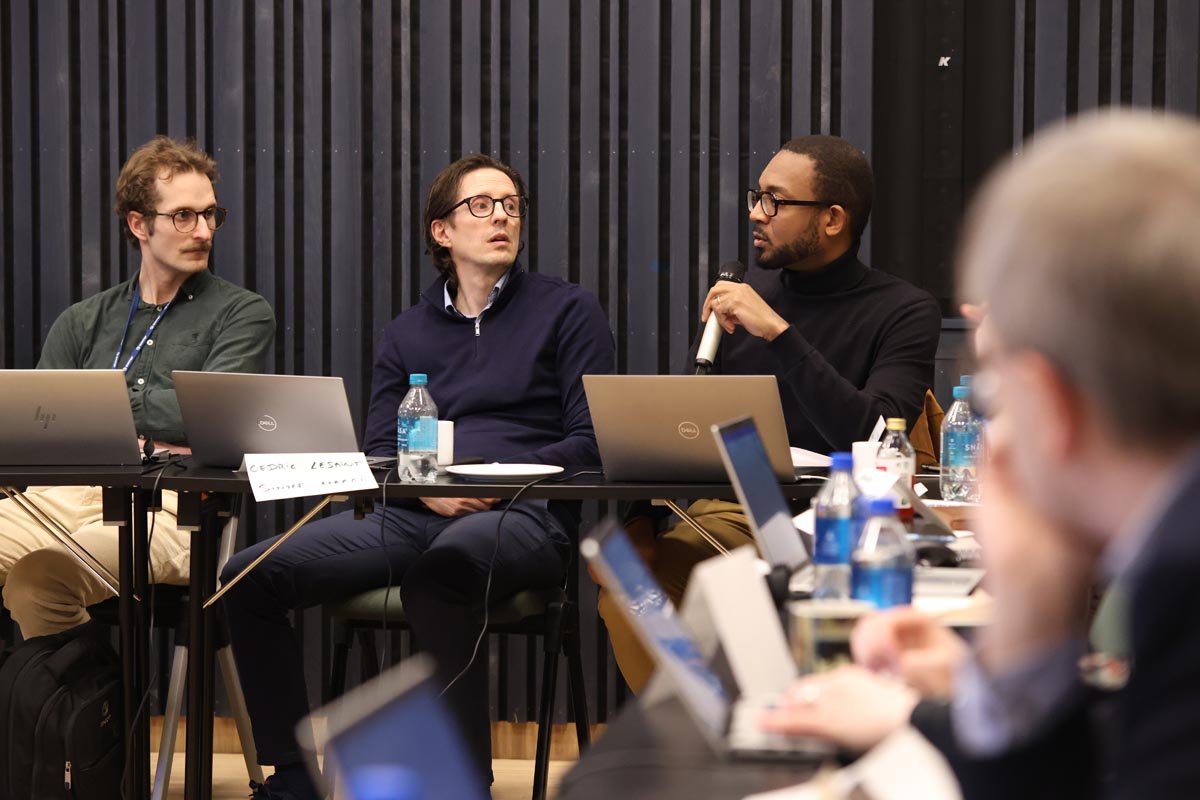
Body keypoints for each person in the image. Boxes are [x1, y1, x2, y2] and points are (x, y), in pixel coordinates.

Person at [760, 111, 1200, 797]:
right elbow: (1109, 750)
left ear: (1049, 409)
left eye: (998, 385)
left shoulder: (1181, 577)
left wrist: (906, 717)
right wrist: (1008, 664)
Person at [221, 153, 615, 800]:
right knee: (248, 576)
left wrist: (497, 480)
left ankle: (461, 787)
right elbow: (379, 448)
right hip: (412, 513)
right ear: (442, 232)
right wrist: (428, 488)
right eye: (481, 205)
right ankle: (292, 782)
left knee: (440, 578)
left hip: (522, 517)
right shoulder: (408, 332)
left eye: (512, 205)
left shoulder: (567, 311)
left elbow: (592, 439)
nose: (502, 218)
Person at [597, 135, 941, 691]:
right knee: (632, 593)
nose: (756, 213)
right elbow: (682, 425)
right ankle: (710, 745)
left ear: (832, 219)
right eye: (758, 196)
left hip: (842, 523)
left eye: (775, 202)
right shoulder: (744, 293)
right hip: (731, 516)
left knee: (773, 610)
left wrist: (780, 334)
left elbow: (876, 439)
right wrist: (638, 520)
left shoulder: (903, 310)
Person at [0, 135, 274, 637]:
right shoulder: (83, 321)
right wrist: (152, 426)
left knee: (39, 580)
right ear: (138, 224)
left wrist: (97, 404)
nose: (204, 230)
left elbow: (212, 423)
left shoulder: (242, 313)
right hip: (59, 498)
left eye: (211, 214)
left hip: (173, 508)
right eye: (184, 216)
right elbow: (41, 429)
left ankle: (92, 711)